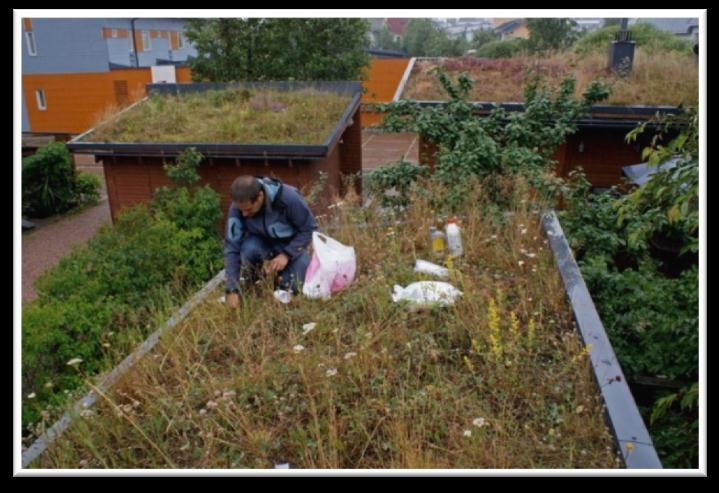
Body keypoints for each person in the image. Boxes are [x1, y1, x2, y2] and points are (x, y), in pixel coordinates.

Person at [224, 175, 317, 309]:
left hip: (291, 247)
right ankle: (255, 282)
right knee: (248, 249)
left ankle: (282, 281)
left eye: (248, 210)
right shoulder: (238, 206)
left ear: (260, 197)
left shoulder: (289, 198)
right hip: (261, 246)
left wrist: (286, 255)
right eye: (241, 210)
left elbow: (309, 229)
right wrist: (231, 288)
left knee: (294, 285)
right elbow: (232, 246)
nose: (244, 214)